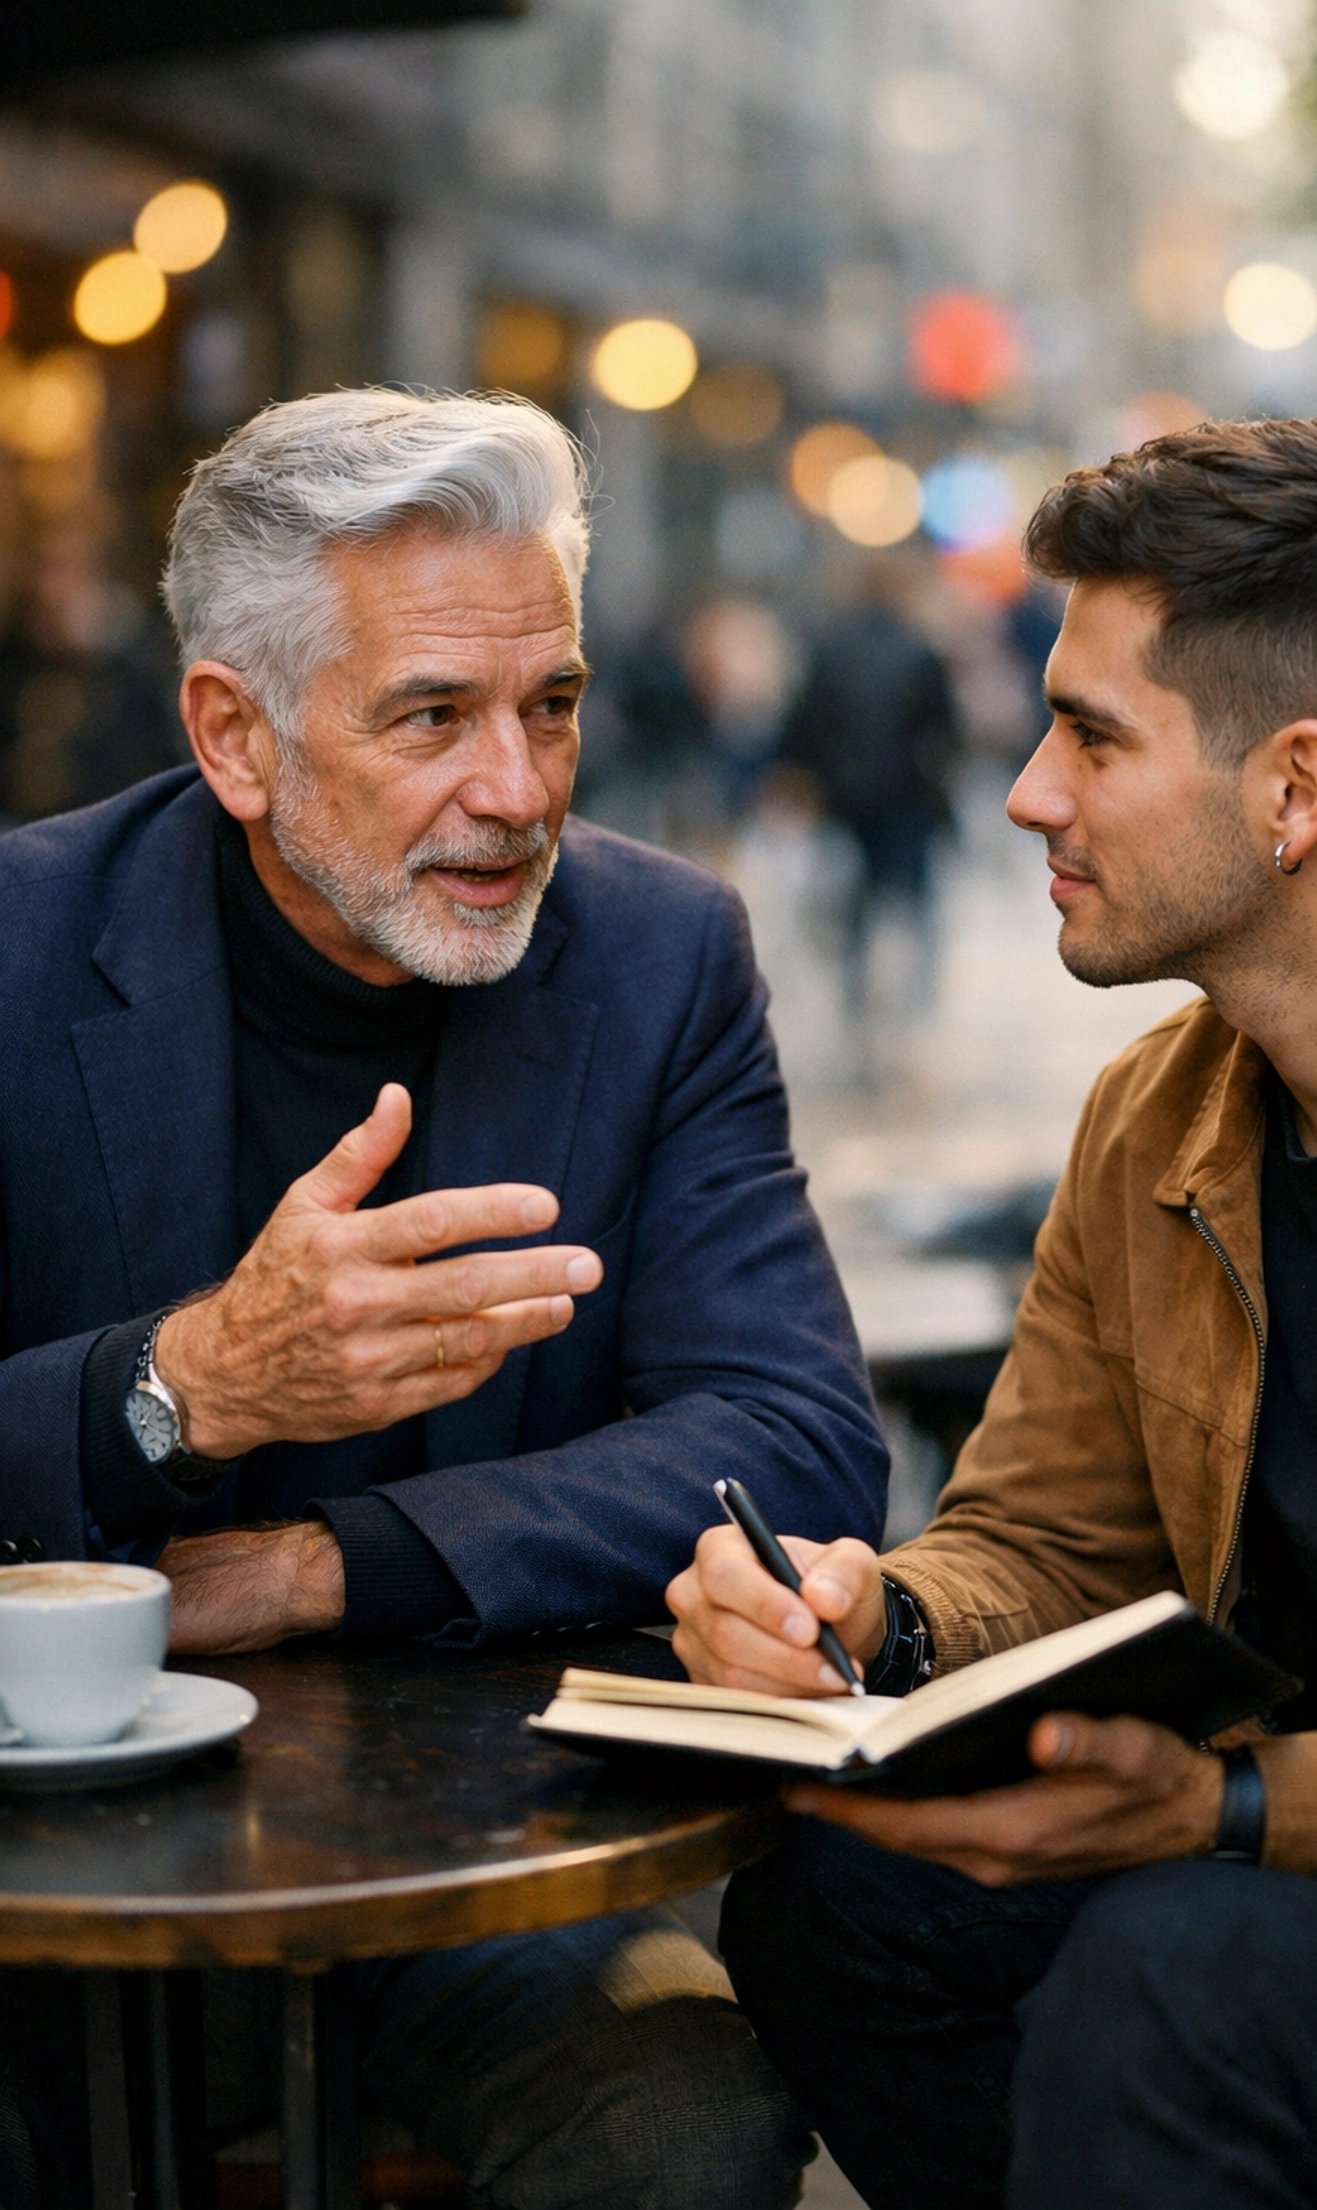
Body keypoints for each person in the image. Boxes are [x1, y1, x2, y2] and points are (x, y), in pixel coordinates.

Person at [0, 389, 888, 2210]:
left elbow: (791, 1431)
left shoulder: (658, 952)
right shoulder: (17, 945)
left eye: (548, 702)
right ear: (235, 736)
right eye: (432, 715)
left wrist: (317, 1558)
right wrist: (183, 1387)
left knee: (686, 2114)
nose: (521, 786)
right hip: (36, 1845)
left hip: (482, 1867)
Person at [668, 418, 1317, 2210]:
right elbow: (1049, 1537)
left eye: (1091, 733)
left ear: (1295, 789)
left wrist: (1234, 1806)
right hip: (1296, 1873)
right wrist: (875, 1616)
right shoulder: (1159, 1113)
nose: (1025, 792)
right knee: (840, 1905)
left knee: (1175, 1978)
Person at [780, 563, 959, 1017]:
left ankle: (856, 999)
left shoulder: (830, 650)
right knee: (915, 901)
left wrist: (806, 781)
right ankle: (917, 1000)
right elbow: (945, 730)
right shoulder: (920, 651)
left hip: (846, 799)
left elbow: (805, 725)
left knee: (853, 905)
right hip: (906, 795)